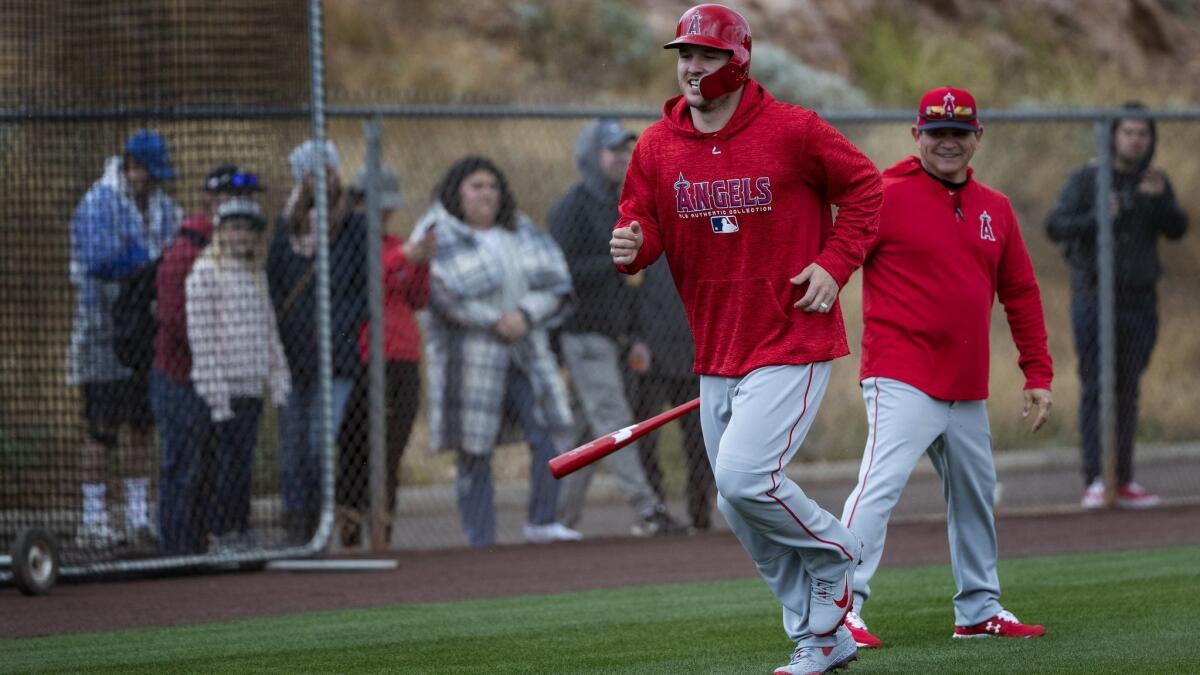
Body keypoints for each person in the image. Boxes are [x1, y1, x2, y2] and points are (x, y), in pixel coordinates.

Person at [608, 6, 880, 672]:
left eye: (705, 56)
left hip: (792, 336)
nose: (691, 67)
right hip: (717, 350)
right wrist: (631, 245)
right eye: (684, 55)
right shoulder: (656, 147)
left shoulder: (795, 130)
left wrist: (834, 263)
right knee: (738, 505)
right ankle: (820, 638)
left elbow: (867, 189)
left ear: (739, 62)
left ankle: (837, 554)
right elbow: (639, 227)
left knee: (742, 477)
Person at [838, 86, 1054, 649]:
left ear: (977, 138)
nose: (948, 142)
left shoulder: (996, 208)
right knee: (877, 489)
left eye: (959, 132)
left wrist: (1038, 374)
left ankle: (979, 609)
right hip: (900, 373)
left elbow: (1022, 293)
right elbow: (833, 261)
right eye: (937, 132)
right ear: (917, 136)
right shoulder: (883, 196)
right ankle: (838, 608)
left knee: (976, 494)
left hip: (965, 383)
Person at [420, 156, 580, 548]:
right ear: (457, 190)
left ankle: (542, 521)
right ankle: (481, 538)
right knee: (475, 448)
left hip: (525, 351)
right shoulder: (436, 233)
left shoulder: (522, 230)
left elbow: (555, 284)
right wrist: (494, 320)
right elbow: (441, 295)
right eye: (477, 186)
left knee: (547, 431)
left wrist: (524, 316)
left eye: (492, 186)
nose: (486, 193)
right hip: (470, 359)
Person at [1046, 102, 1188, 509]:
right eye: (1128, 132)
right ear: (1112, 135)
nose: (1135, 139)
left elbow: (1177, 228)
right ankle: (1096, 478)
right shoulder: (1088, 179)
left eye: (1143, 133)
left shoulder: (1154, 181)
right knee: (1097, 387)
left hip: (1139, 301)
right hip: (1094, 298)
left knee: (1128, 389)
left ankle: (1122, 478)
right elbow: (1056, 226)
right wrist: (1098, 217)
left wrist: (1158, 200)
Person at [549, 118, 686, 537]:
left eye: (627, 150)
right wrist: (615, 263)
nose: (622, 158)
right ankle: (648, 510)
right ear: (591, 155)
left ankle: (555, 518)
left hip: (614, 335)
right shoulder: (571, 207)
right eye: (613, 150)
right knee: (613, 417)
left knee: (586, 426)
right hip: (583, 333)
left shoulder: (622, 203)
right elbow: (560, 272)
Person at [67, 129, 181, 546]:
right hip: (102, 334)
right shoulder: (99, 202)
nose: (151, 182)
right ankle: (94, 519)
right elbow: (98, 258)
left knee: (141, 426)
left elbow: (176, 248)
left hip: (144, 336)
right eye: (147, 172)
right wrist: (150, 261)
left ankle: (137, 517)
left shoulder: (164, 208)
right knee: (102, 427)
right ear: (130, 165)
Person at [152, 164, 262, 553]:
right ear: (210, 201)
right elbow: (173, 319)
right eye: (233, 199)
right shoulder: (188, 250)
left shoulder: (240, 254)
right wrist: (215, 354)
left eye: (247, 200)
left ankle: (203, 544)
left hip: (220, 381)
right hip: (180, 377)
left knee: (213, 468)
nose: (241, 207)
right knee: (183, 466)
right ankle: (177, 551)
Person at [267, 139, 367, 543]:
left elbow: (364, 292)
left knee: (318, 442)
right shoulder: (285, 227)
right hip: (292, 357)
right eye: (311, 171)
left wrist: (338, 326)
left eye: (326, 169)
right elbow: (274, 286)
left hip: (337, 357)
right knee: (292, 446)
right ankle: (298, 525)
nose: (320, 178)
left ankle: (324, 518)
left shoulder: (353, 227)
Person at [335, 166, 435, 548]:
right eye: (375, 207)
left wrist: (421, 262)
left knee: (393, 444)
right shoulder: (348, 244)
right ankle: (350, 518)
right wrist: (401, 256)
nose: (384, 215)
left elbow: (418, 298)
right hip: (362, 354)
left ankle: (382, 525)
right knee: (357, 441)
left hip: (403, 355)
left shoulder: (395, 244)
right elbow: (363, 280)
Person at [186, 197, 291, 550]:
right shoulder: (205, 273)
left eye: (247, 229)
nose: (241, 235)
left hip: (250, 386)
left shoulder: (255, 275)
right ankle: (219, 532)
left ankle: (240, 528)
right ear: (221, 232)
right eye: (234, 227)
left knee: (242, 464)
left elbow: (269, 330)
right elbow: (202, 338)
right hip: (220, 391)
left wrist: (278, 378)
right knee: (222, 466)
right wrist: (215, 394)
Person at [629, 256, 714, 532]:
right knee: (645, 439)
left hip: (694, 356)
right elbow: (630, 296)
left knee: (701, 440)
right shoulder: (644, 245)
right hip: (652, 361)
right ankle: (655, 512)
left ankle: (701, 514)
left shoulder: (698, 239)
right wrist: (635, 341)